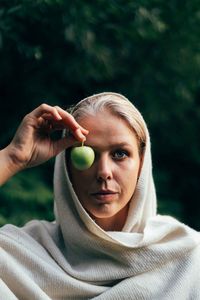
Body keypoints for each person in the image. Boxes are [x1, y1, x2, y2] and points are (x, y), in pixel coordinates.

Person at [0, 92, 200, 300]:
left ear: (142, 162)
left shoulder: (190, 259)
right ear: (66, 166)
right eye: (87, 154)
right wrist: (13, 157)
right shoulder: (22, 254)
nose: (104, 171)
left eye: (120, 154)